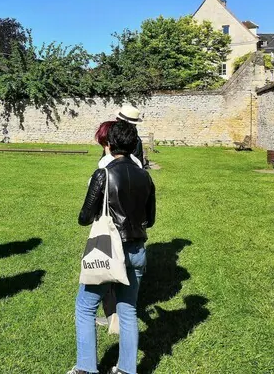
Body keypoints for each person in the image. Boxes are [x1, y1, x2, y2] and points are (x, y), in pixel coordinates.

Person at [69, 120, 156, 374]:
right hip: (137, 249)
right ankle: (127, 369)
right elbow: (150, 219)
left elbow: (84, 216)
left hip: (110, 250)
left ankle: (86, 367)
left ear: (110, 143)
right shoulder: (145, 176)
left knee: (85, 306)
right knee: (128, 309)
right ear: (133, 144)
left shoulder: (103, 174)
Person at [93, 120, 143, 335]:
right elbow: (149, 217)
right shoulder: (140, 168)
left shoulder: (104, 167)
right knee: (129, 301)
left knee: (101, 284)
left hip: (111, 234)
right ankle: (126, 365)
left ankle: (112, 318)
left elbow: (90, 211)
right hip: (136, 237)